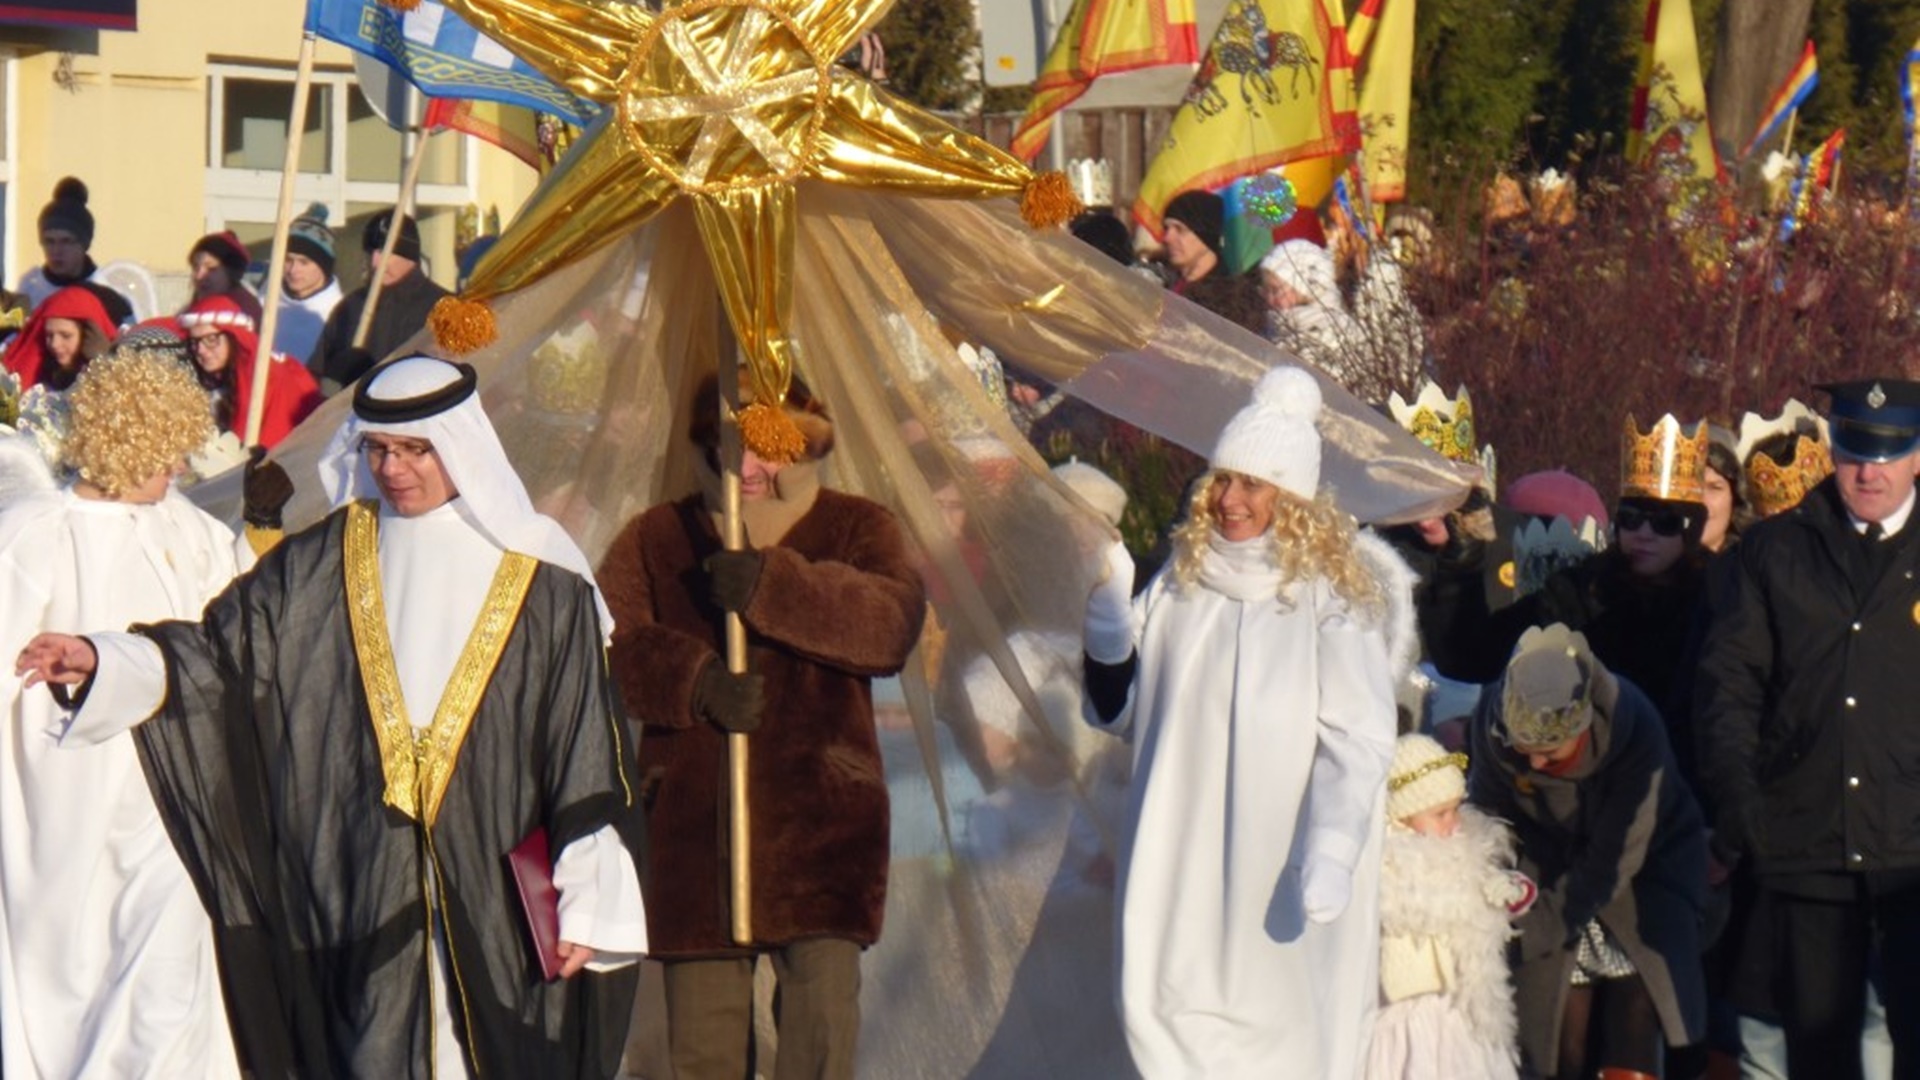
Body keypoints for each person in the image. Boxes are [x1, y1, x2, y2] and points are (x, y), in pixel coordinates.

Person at [14, 355, 647, 1078]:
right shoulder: (322, 562)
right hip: (353, 879)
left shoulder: (542, 583)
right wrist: (106, 661)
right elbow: (222, 660)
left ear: (461, 447)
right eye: (378, 449)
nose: (394, 468)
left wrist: (590, 890)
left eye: (416, 450)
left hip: (493, 892)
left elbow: (583, 751)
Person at [1079, 365, 1415, 1078]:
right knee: (1166, 1016)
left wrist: (1332, 842)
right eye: (1223, 480)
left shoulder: (1331, 600)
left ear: (1290, 497)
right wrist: (1109, 642)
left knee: (1278, 1037)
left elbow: (1357, 737)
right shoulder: (1181, 581)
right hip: (1179, 856)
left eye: (1252, 485)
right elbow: (1127, 714)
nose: (1229, 500)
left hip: (1277, 867)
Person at [596, 374, 923, 1080]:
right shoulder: (658, 534)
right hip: (693, 822)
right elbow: (606, 646)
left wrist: (775, 586)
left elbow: (891, 625)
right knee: (703, 1050)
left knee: (822, 1030)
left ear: (802, 447)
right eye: (728, 446)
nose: (745, 469)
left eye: (765, 449)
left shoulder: (857, 527)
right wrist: (693, 681)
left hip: (823, 818)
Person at [0, 348, 251, 1079]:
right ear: (124, 440)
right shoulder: (34, 533)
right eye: (162, 454)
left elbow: (237, 639)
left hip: (173, 794)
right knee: (67, 969)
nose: (175, 472)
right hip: (63, 792)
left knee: (165, 968)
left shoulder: (196, 534)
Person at [1694, 379, 1920, 1080]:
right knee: (1815, 1053)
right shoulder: (1776, 552)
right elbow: (1728, 688)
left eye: (1889, 453)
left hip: (1913, 853)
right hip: (1805, 844)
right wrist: (1742, 806)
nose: (1869, 471)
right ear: (1833, 450)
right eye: (1855, 451)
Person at [1469, 624, 1708, 1080]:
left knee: (1637, 1024)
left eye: (1550, 751)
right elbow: (1488, 818)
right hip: (1546, 869)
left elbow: (1617, 854)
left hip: (1643, 875)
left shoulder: (1631, 724)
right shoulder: (1491, 721)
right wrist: (1502, 894)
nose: (1536, 764)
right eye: (1526, 750)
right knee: (1556, 1043)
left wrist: (1543, 924)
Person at [1367, 733, 1533, 1080]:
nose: (1454, 822)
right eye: (1440, 814)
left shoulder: (1463, 851)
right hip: (1404, 1011)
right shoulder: (1386, 867)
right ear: (1400, 818)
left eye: (1457, 808)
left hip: (1459, 1006)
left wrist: (1506, 893)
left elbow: (1486, 900)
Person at [313, 211, 452, 395]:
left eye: (385, 252)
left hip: (417, 417)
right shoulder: (350, 307)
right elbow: (318, 372)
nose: (375, 262)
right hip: (356, 417)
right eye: (371, 252)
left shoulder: (445, 308)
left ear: (409, 255)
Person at [179, 294, 321, 448]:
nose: (201, 350)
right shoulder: (199, 381)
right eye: (194, 342)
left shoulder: (265, 376)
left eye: (211, 339)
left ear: (233, 337)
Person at [17, 178, 134, 326]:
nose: (56, 251)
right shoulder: (29, 287)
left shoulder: (109, 294)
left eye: (66, 241)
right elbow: (12, 342)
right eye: (49, 241)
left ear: (84, 245)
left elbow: (130, 343)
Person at [1260, 238, 1367, 388]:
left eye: (1276, 290)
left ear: (1304, 288)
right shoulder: (1275, 329)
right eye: (1266, 291)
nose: (1270, 299)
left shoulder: (1330, 329)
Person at [1158, 190, 1266, 335]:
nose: (1167, 238)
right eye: (1166, 228)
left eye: (1179, 229)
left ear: (1205, 235)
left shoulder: (1232, 300)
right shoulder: (1163, 283)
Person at [2, 283, 119, 391]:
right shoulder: (40, 381)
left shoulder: (118, 369)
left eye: (66, 336)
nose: (54, 344)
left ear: (89, 335)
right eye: (49, 335)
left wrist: (100, 362)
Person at [275, 203, 345, 369]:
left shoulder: (339, 313)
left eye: (304, 262)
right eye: (288, 260)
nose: (293, 270)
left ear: (323, 266)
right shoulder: (266, 302)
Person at [184, 230, 264, 325]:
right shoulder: (196, 305)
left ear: (230, 272)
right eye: (195, 267)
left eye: (211, 268)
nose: (198, 276)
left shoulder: (242, 311)